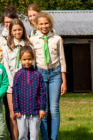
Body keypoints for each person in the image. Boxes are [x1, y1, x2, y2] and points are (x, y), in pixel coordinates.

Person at [30, 12, 65, 140]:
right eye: (41, 24)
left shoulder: (57, 39)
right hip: (40, 74)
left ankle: (54, 137)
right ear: (37, 25)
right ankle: (45, 137)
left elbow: (62, 60)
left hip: (55, 74)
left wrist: (64, 81)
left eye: (46, 23)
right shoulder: (33, 40)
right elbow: (32, 61)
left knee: (54, 108)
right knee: (43, 108)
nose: (44, 26)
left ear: (50, 24)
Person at [10, 47, 45, 140]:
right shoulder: (18, 75)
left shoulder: (38, 75)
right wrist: (16, 109)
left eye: (29, 59)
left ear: (33, 58)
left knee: (34, 135)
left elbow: (42, 93)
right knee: (22, 135)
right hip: (21, 112)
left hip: (35, 111)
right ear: (20, 60)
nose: (27, 62)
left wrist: (42, 108)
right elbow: (15, 93)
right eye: (24, 59)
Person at [3, 20, 29, 140]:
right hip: (11, 85)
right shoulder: (7, 47)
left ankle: (24, 136)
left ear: (23, 30)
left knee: (24, 113)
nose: (17, 32)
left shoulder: (28, 45)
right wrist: (12, 82)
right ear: (11, 32)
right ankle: (14, 137)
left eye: (19, 29)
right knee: (12, 114)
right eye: (14, 30)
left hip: (25, 85)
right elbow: (6, 67)